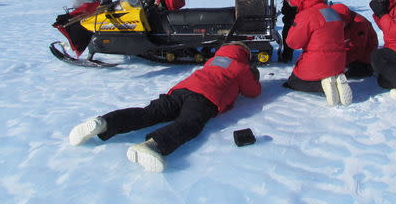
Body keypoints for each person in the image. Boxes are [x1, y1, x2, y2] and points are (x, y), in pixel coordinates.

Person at [68, 42, 261, 172]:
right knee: (189, 123)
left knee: (149, 113)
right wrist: (253, 74)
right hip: (205, 98)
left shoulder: (213, 61)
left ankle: (104, 122)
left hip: (181, 90)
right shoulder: (241, 67)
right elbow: (253, 92)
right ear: (244, 55)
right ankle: (153, 146)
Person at [282, 0, 351, 106]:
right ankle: (336, 79)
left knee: (294, 81)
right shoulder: (332, 11)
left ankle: (324, 85)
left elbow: (293, 43)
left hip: (317, 63)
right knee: (327, 69)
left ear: (301, 1)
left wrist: (294, 24)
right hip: (339, 63)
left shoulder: (306, 15)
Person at [331, 3, 379, 79]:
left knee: (341, 74)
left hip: (364, 59)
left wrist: (340, 63)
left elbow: (357, 51)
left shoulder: (359, 24)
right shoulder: (339, 22)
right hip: (349, 55)